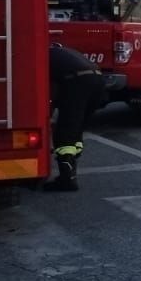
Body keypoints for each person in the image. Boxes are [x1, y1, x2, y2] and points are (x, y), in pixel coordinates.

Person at [46, 43, 106, 192]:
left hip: (78, 83)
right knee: (76, 129)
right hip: (99, 82)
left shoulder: (42, 58)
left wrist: (46, 115)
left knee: (65, 132)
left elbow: (49, 91)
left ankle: (67, 180)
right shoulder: (64, 52)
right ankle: (71, 171)